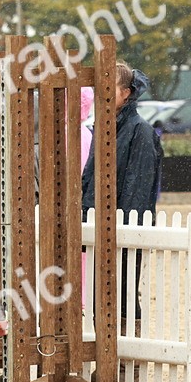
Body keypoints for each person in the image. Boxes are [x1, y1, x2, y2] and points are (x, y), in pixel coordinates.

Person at [81, 62, 162, 322]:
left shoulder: (141, 132)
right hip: (100, 225)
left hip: (124, 227)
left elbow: (138, 187)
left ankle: (129, 361)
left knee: (124, 294)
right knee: (98, 297)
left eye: (107, 88)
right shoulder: (104, 129)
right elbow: (89, 179)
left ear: (125, 93)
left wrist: (123, 229)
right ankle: (109, 359)